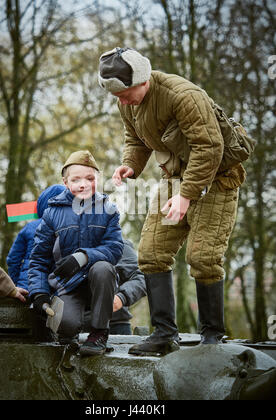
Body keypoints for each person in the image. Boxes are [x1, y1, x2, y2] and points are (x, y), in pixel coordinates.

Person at [98, 47, 247, 355]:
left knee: (202, 258)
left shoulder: (182, 95)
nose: (122, 101)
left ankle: (212, 335)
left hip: (216, 178)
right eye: (118, 96)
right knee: (151, 253)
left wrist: (186, 196)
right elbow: (135, 139)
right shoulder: (127, 103)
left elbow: (209, 147)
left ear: (142, 79)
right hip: (174, 180)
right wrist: (131, 164)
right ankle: (164, 334)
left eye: (125, 93)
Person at [28, 150, 124, 356]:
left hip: (98, 280)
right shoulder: (52, 213)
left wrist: (83, 257)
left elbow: (114, 248)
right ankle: (68, 333)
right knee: (64, 325)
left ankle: (99, 333)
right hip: (67, 284)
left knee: (103, 268)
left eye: (90, 178)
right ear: (65, 182)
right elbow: (38, 259)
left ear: (97, 179)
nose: (84, 184)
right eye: (76, 179)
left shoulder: (109, 210)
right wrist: (39, 292)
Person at [6, 184, 66, 290]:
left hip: (27, 286)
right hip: (58, 289)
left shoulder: (29, 227)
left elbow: (13, 260)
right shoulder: (69, 227)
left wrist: (17, 283)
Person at [84, 238, 146, 335]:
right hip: (73, 327)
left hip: (115, 325)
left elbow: (141, 278)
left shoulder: (121, 245)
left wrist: (122, 297)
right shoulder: (65, 243)